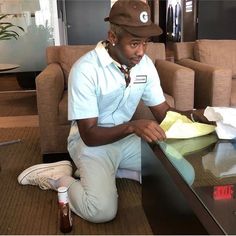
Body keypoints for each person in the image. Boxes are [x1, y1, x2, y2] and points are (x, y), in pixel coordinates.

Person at [17, 0, 209, 223]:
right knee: (101, 211)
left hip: (126, 140)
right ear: (113, 37)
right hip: (90, 143)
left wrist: (196, 115)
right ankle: (61, 179)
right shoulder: (85, 70)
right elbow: (89, 134)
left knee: (186, 173)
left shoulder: (144, 65)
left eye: (145, 43)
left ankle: (113, 171)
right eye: (134, 44)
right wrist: (132, 126)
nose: (141, 52)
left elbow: (164, 113)